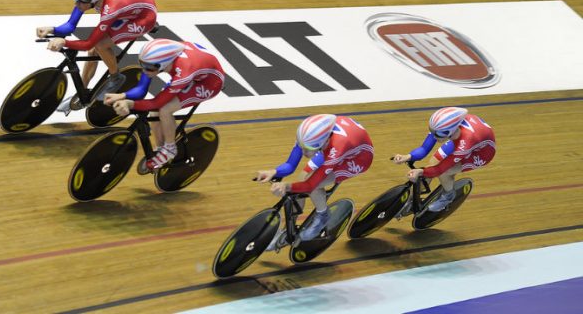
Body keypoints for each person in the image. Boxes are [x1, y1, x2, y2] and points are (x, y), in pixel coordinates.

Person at [36, 0, 158, 114]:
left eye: (80, 0)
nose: (76, 3)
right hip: (129, 10)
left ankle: (116, 77)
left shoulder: (111, 7)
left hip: (143, 18)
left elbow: (88, 43)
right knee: (93, 50)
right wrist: (51, 29)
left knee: (99, 45)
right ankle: (81, 94)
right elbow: (70, 25)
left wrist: (64, 42)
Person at [255, 114, 374, 251]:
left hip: (358, 158)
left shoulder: (336, 147)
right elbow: (290, 165)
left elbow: (311, 185)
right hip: (332, 147)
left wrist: (286, 186)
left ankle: (323, 215)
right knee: (300, 179)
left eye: (308, 149)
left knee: (314, 186)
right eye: (302, 147)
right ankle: (288, 229)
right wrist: (274, 172)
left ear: (323, 142)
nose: (304, 153)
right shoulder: (306, 135)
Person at [105, 38, 226, 171]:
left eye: (149, 68)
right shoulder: (154, 60)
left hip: (210, 82)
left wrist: (130, 104)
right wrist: (123, 95)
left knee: (165, 109)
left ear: (163, 64)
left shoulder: (183, 72)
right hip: (196, 71)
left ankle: (170, 149)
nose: (145, 70)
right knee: (154, 113)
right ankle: (160, 148)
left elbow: (157, 102)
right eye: (142, 64)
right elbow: (141, 90)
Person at [393, 107, 496, 213]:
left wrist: (420, 171)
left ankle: (448, 196)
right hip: (460, 139)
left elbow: (440, 169)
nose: (434, 136)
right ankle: (411, 200)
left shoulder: (464, 143)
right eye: (432, 131)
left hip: (482, 153)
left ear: (450, 131)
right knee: (432, 163)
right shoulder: (442, 128)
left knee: (445, 172)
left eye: (438, 134)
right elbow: (424, 149)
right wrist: (408, 156)